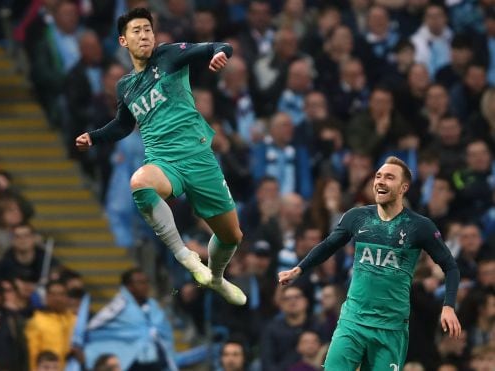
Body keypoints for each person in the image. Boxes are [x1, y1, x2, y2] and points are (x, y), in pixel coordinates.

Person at [75, 7, 246, 305]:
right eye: (137, 31)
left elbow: (219, 46)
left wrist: (221, 54)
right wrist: (95, 136)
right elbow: (124, 125)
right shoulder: (125, 86)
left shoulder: (169, 56)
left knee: (232, 236)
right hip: (164, 160)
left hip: (199, 158)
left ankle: (216, 278)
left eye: (148, 30)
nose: (144, 35)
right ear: (123, 41)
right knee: (140, 182)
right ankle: (185, 255)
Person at [278, 156, 462, 370]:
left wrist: (448, 305)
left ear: (403, 187)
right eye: (378, 176)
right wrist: (299, 269)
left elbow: (451, 267)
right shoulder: (357, 217)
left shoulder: (419, 226)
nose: (380, 181)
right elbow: (328, 246)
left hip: (390, 328)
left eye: (389, 177)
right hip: (352, 322)